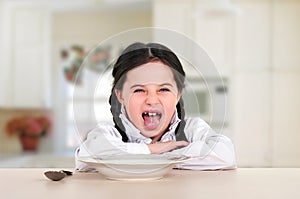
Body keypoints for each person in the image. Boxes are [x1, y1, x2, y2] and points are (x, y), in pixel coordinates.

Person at [75, 42, 236, 171]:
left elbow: (225, 155)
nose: (152, 100)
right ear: (120, 95)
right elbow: (88, 156)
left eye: (163, 89)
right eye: (139, 90)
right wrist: (154, 149)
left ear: (178, 94)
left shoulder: (192, 129)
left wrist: (156, 157)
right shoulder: (108, 133)